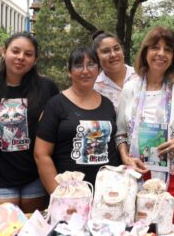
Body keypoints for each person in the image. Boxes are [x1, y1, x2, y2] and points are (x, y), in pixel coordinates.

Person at [116, 26, 174, 224]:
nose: (161, 54)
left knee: (173, 229)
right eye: (155, 47)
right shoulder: (130, 88)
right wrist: (125, 156)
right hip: (137, 174)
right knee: (138, 231)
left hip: (173, 177)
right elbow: (120, 134)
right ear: (145, 52)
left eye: (168, 49)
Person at [0, 32, 59, 213]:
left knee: (35, 227)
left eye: (28, 54)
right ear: (4, 52)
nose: (21, 57)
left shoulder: (47, 88)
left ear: (35, 59)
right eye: (15, 51)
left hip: (36, 177)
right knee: (3, 227)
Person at [35, 46, 120, 191]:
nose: (85, 71)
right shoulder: (56, 104)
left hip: (107, 192)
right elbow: (41, 154)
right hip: (70, 193)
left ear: (99, 70)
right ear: (69, 71)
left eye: (91, 65)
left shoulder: (107, 104)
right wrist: (58, 194)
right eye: (78, 65)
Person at [92, 31, 138, 108]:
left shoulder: (140, 76)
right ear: (97, 58)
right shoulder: (95, 89)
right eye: (106, 51)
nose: (113, 54)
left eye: (116, 49)